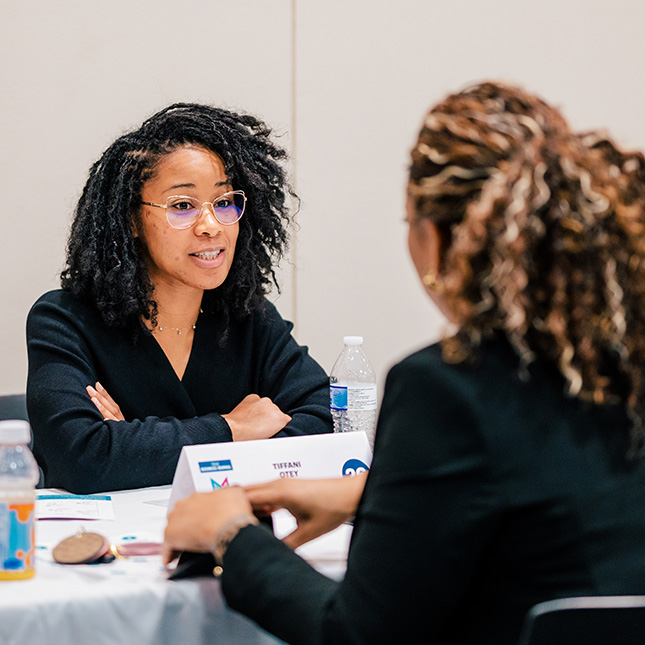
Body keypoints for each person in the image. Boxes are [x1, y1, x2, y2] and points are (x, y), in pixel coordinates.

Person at [163, 81, 645, 644]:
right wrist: (367, 496)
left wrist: (231, 535)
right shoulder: (616, 362)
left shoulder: (445, 389)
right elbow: (557, 499)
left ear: (435, 240)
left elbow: (355, 634)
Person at [27, 103, 332, 495]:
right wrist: (234, 428)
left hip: (223, 540)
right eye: (182, 206)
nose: (211, 226)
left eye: (224, 203)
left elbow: (327, 422)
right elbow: (83, 460)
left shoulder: (247, 318)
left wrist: (135, 445)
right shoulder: (63, 321)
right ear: (132, 220)